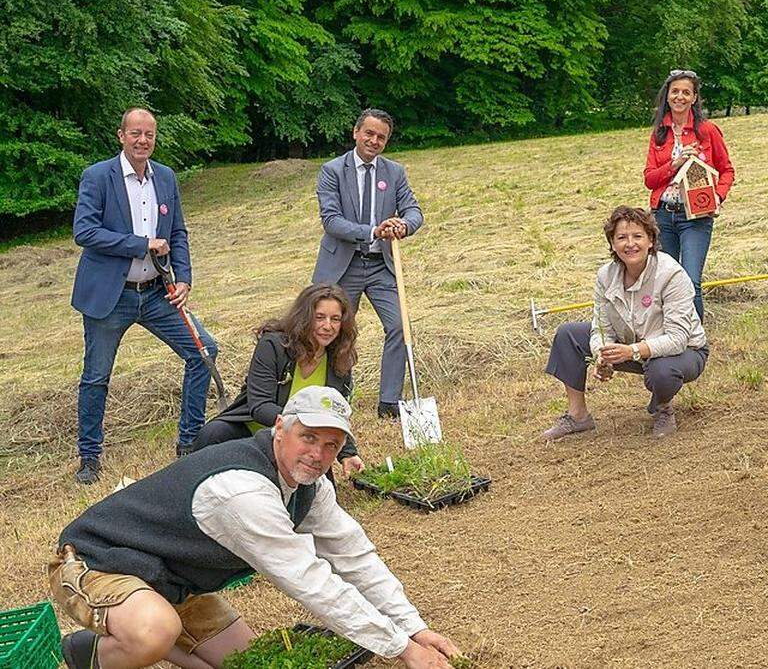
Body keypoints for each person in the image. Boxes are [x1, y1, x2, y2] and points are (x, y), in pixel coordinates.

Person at [53, 386, 464, 669]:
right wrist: (399, 648)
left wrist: (415, 628)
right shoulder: (241, 491)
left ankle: (156, 634)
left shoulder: (309, 486)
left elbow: (353, 555)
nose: (318, 454)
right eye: (308, 437)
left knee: (250, 662)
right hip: (97, 564)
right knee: (152, 632)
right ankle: (91, 656)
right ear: (281, 428)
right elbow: (309, 580)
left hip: (172, 581)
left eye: (331, 445)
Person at [70, 107, 218, 484]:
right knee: (96, 376)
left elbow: (178, 233)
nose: (142, 140)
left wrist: (183, 277)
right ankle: (89, 458)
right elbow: (84, 232)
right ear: (121, 136)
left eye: (149, 134)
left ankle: (189, 443)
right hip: (111, 296)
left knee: (203, 351)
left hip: (157, 293)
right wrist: (140, 244)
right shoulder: (98, 176)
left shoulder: (165, 177)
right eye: (135, 133)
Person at [544, 206, 708, 440]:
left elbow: (678, 339)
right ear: (612, 244)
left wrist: (630, 351)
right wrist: (602, 355)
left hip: (685, 352)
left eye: (637, 236)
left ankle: (663, 408)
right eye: (621, 237)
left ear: (651, 240)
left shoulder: (672, 274)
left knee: (663, 370)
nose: (630, 244)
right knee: (568, 334)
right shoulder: (605, 275)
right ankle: (578, 416)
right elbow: (601, 326)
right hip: (632, 345)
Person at [313, 108, 423, 419]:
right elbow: (332, 221)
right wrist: (373, 230)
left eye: (381, 137)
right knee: (334, 330)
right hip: (342, 266)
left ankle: (389, 403)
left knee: (399, 326)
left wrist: (404, 225)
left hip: (380, 266)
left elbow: (414, 211)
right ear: (356, 132)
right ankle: (335, 399)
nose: (374, 141)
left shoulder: (395, 172)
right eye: (369, 134)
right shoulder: (332, 171)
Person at [191, 284, 365, 475]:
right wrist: (304, 426)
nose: (327, 326)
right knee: (212, 434)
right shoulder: (273, 345)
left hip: (307, 440)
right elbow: (259, 405)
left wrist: (348, 453)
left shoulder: (340, 358)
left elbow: (336, 414)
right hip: (255, 431)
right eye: (319, 317)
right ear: (305, 317)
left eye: (336, 319)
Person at [642, 69, 735, 320]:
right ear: (667, 96)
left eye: (686, 92)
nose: (680, 97)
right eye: (675, 92)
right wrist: (674, 165)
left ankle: (695, 341)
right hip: (662, 216)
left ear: (694, 98)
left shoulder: (707, 131)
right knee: (666, 282)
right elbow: (649, 179)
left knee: (690, 280)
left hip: (696, 216)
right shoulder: (659, 133)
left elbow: (727, 170)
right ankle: (669, 336)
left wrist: (718, 196)